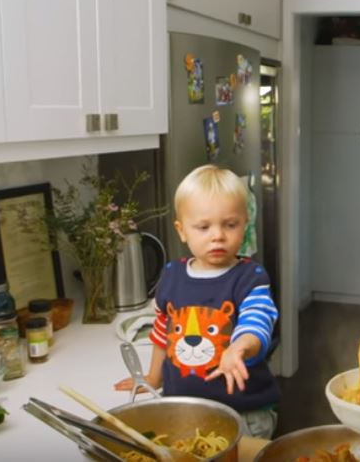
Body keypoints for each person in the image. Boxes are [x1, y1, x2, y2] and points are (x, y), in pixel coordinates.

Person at [115, 164, 280, 440]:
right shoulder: (172, 274)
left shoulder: (251, 278)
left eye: (230, 224)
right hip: (184, 412)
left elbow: (257, 323)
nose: (218, 235)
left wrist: (238, 349)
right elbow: (163, 333)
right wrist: (154, 377)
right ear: (182, 231)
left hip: (245, 415)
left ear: (245, 224)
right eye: (203, 227)